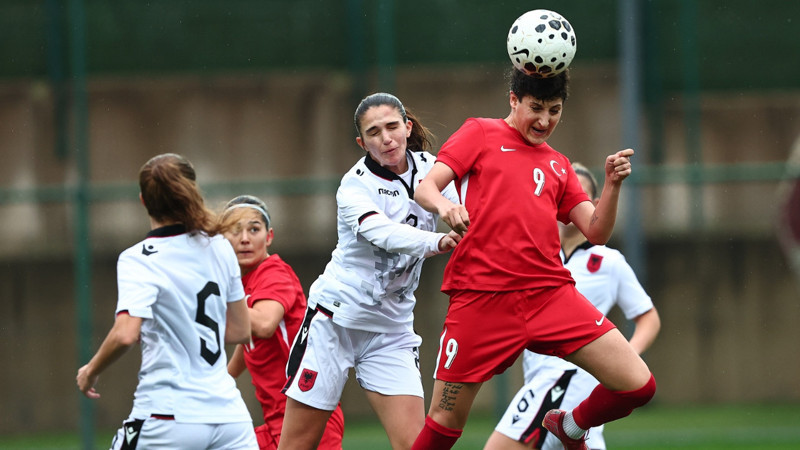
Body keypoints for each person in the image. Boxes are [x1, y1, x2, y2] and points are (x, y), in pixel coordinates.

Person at [411, 68, 657, 450]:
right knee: (444, 423)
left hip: (549, 296)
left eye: (555, 110)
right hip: (482, 299)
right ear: (514, 99)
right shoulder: (479, 132)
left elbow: (596, 232)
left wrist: (611, 185)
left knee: (638, 385)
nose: (545, 120)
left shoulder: (559, 164)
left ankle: (570, 426)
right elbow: (425, 186)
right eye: (536, 108)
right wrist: (445, 206)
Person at [277, 92, 462, 450]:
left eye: (393, 126)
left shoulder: (431, 167)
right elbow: (383, 233)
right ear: (362, 142)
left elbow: (461, 207)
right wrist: (436, 242)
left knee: (414, 445)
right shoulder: (354, 185)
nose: (386, 138)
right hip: (335, 323)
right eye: (374, 132)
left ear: (407, 127)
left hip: (391, 330)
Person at [76, 153, 258, 449]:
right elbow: (240, 331)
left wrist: (90, 371)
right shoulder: (221, 246)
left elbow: (125, 334)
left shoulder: (138, 259)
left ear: (143, 201)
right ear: (191, 191)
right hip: (230, 419)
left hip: (168, 416)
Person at [484, 163, 661, 450]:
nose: (565, 205)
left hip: (567, 380)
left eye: (575, 197)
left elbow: (648, 317)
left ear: (590, 205)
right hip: (543, 379)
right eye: (559, 196)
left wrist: (625, 357)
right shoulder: (535, 253)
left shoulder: (608, 260)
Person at [220, 194, 345, 449]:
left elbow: (264, 324)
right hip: (278, 418)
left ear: (269, 236)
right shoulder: (242, 284)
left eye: (254, 229)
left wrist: (209, 305)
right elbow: (249, 337)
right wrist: (222, 378)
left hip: (307, 412)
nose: (245, 238)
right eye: (235, 230)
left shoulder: (273, 272)